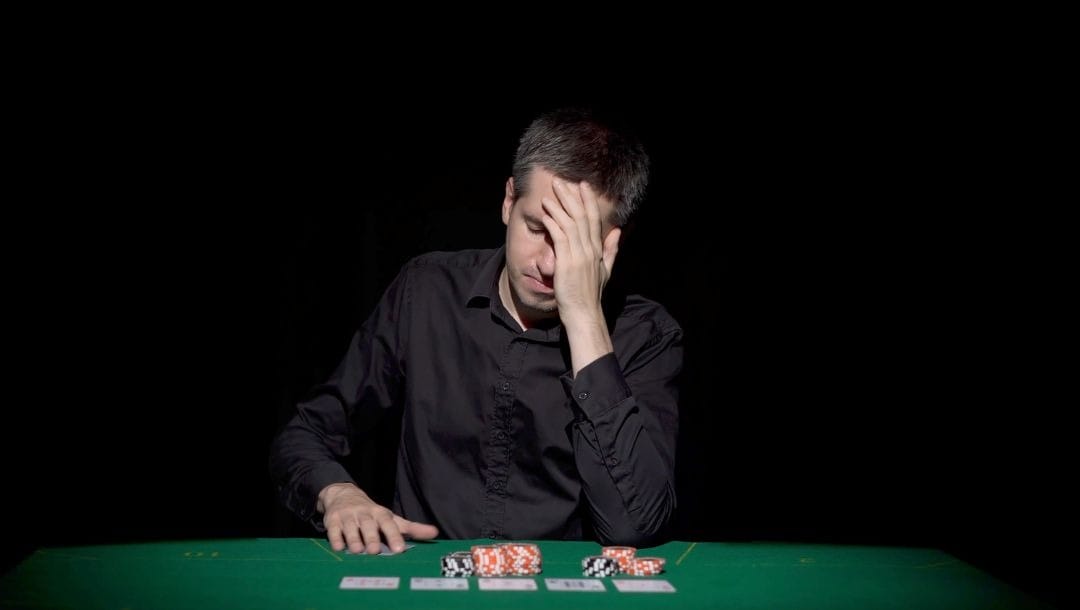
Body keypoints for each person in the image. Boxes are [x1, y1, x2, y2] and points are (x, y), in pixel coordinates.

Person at [269, 108, 683, 556]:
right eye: (537, 229)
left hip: (558, 588)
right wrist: (338, 493)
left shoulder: (647, 335)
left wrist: (583, 316)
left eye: (573, 245)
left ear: (611, 243)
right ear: (509, 201)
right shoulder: (425, 290)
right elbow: (304, 435)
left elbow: (635, 526)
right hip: (425, 578)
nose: (548, 265)